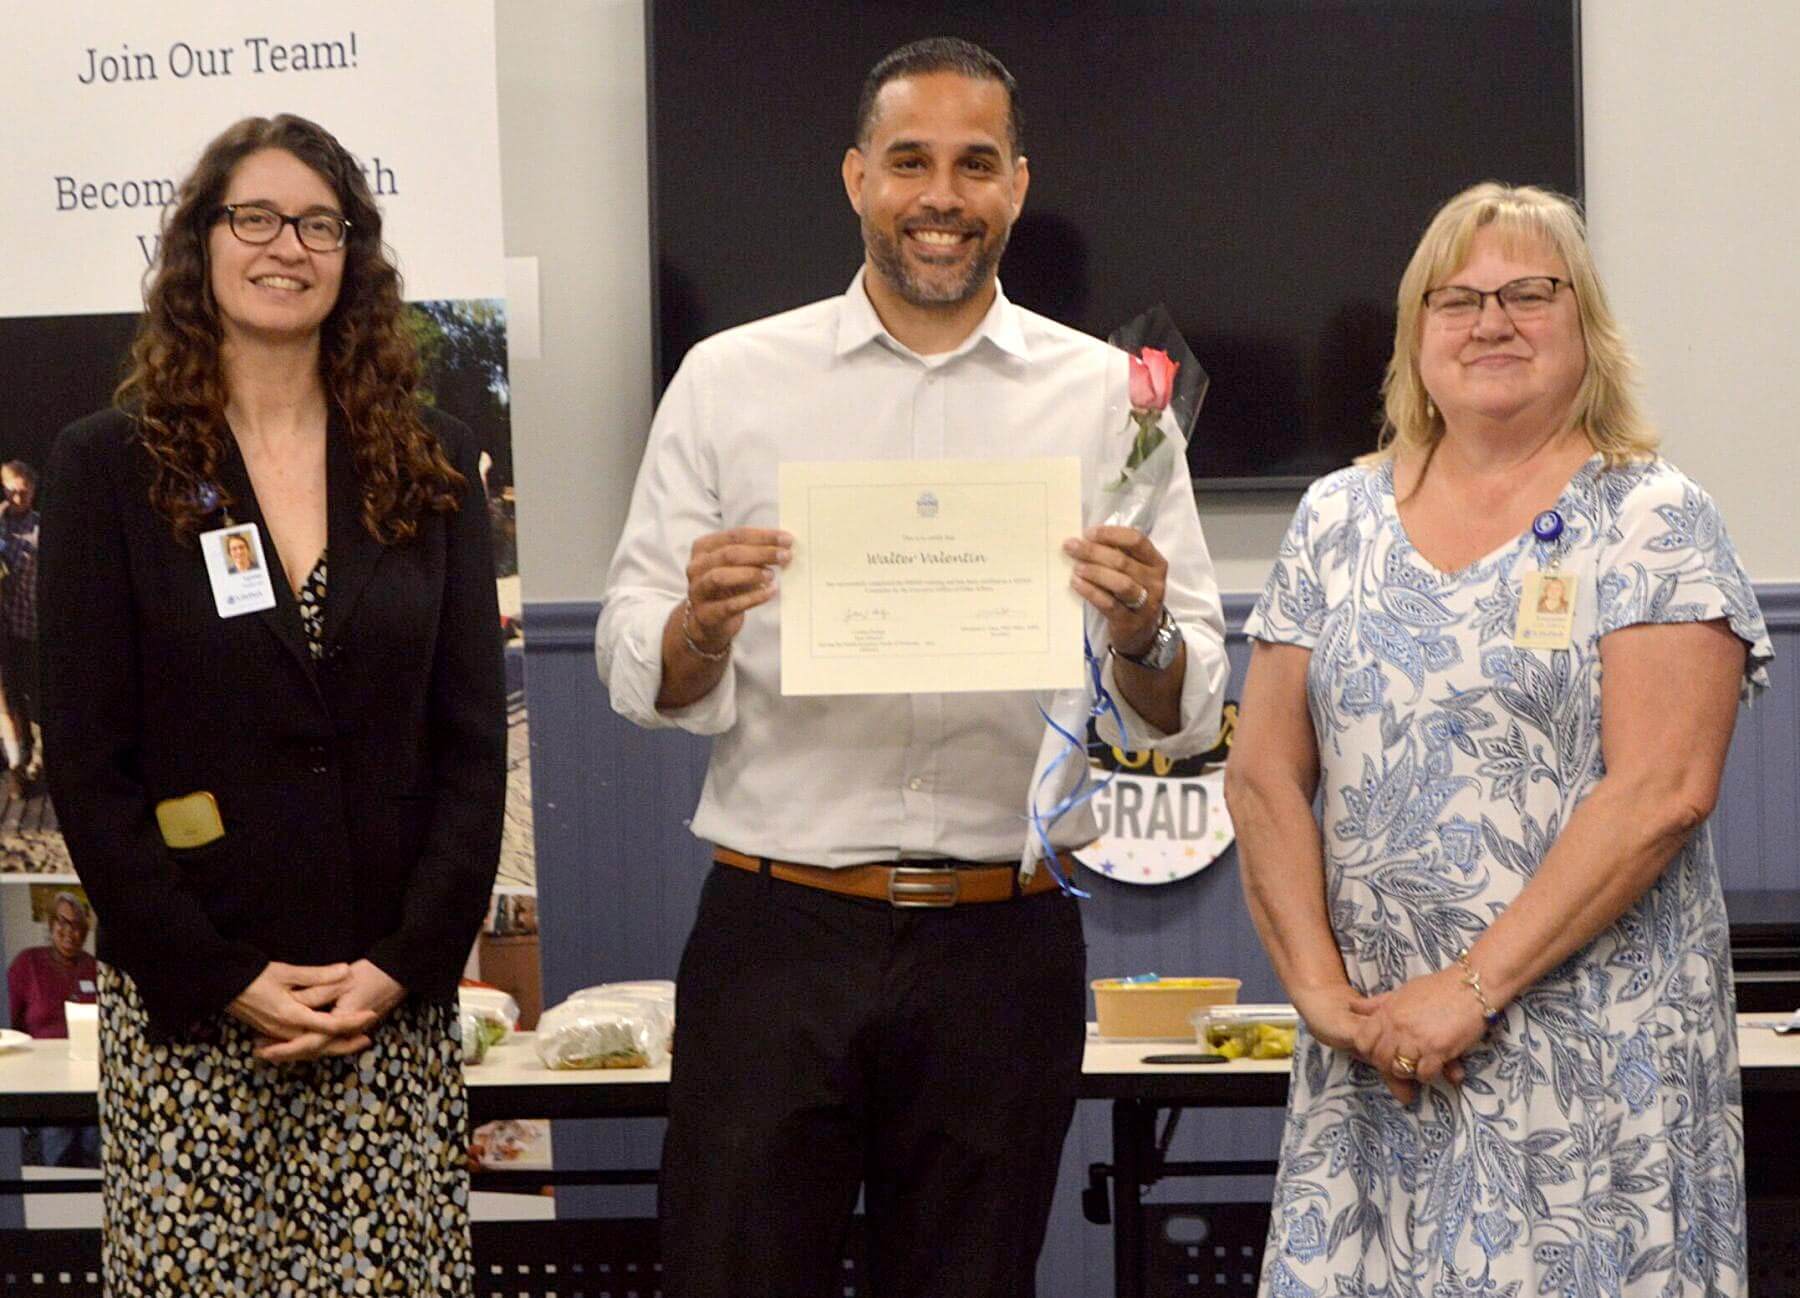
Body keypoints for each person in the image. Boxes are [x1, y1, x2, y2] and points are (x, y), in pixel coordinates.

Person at [597, 37, 1227, 1298]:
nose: (942, 195)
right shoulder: (730, 382)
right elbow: (631, 655)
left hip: (1005, 948)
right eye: (909, 162)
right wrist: (701, 626)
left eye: (975, 164)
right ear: (855, 179)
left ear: (1016, 186)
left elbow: (1188, 695)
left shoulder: (1112, 399)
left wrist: (1145, 629)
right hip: (781, 934)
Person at [1226, 182, 1768, 1295]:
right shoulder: (1336, 518)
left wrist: (1467, 991)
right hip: (1379, 1061)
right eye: (1456, 298)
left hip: (1590, 1068)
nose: (1491, 322)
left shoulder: (1655, 517)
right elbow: (1264, 775)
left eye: (1530, 293)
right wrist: (1325, 995)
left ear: (1587, 326)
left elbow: (1663, 788)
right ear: (1414, 330)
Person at [40, 114, 506, 1296]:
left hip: (382, 1017)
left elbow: (468, 752)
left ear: (353, 255)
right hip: (196, 1022)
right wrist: (216, 971)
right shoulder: (109, 465)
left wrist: (401, 965)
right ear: (201, 244)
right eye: (253, 217)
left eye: (318, 222)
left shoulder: (431, 460)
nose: (285, 245)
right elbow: (90, 771)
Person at [6, 891, 100, 1167]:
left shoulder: (94, 968)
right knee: (59, 1144)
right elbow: (7, 1026)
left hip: (87, 1073)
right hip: (44, 1075)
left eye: (78, 926)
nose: (70, 932)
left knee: (94, 1143)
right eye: (63, 922)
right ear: (50, 924)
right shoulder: (28, 963)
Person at [0, 459, 41, 790]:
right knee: (5, 698)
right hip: (1, 628)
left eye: (23, 490)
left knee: (30, 696)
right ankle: (16, 764)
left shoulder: (42, 528)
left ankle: (33, 758)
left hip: (28, 624)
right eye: (11, 490)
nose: (17, 497)